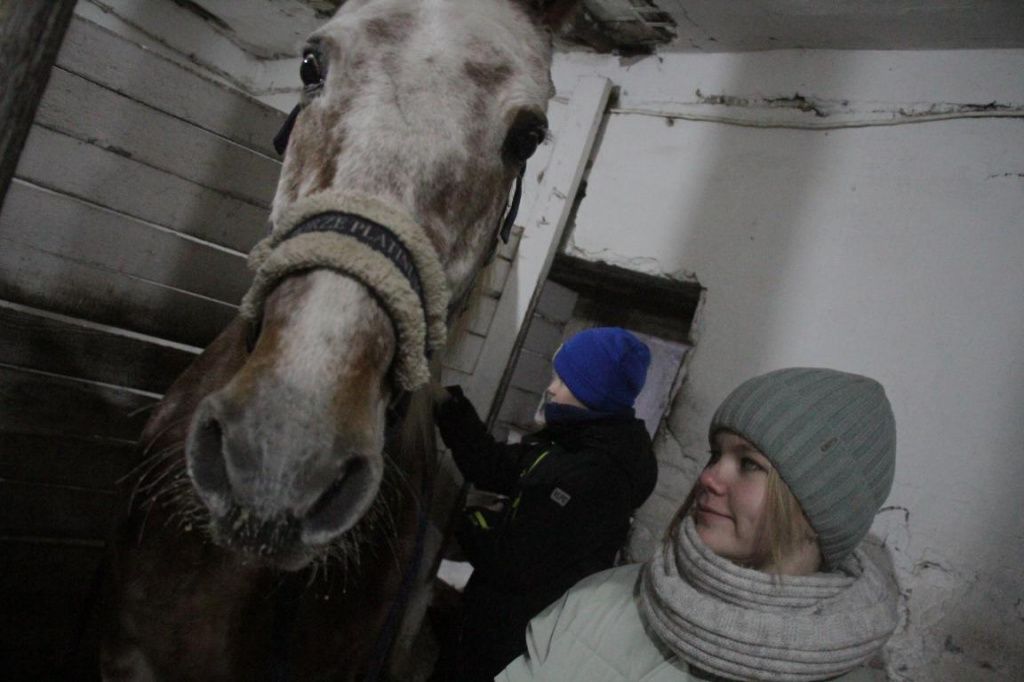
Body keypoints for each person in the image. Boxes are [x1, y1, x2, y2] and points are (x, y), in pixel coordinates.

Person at [499, 367, 901, 682]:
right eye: (716, 454)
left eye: (749, 464)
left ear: (823, 508)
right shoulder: (604, 597)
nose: (709, 478)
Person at [431, 327, 658, 682]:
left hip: (515, 638)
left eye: (564, 381)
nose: (551, 387)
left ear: (592, 392)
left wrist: (460, 520)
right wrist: (448, 404)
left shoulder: (597, 473)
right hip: (490, 619)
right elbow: (492, 466)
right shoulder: (569, 444)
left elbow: (513, 561)